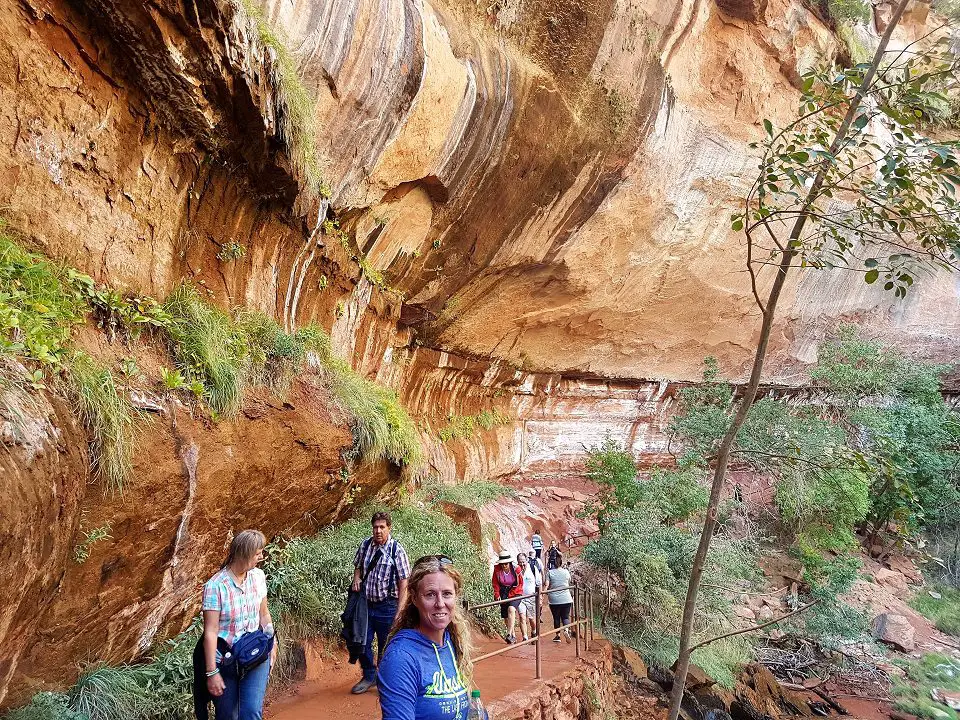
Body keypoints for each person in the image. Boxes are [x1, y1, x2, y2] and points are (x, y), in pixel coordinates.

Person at [378, 555, 476, 720]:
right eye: (430, 595)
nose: (440, 603)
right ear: (415, 598)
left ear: (456, 596)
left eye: (447, 594)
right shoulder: (401, 657)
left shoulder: (452, 641)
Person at [201, 529, 277, 720]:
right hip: (226, 659)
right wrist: (212, 672)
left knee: (251, 711)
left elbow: (264, 614)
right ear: (244, 554)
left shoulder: (258, 576)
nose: (261, 557)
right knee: (228, 715)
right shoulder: (215, 586)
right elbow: (210, 632)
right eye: (258, 553)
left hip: (255, 652)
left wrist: (273, 642)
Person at [350, 511, 411, 694]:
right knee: (362, 641)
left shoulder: (396, 550)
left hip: (388, 606)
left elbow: (404, 582)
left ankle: (386, 679)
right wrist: (356, 578)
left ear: (389, 528)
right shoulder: (366, 545)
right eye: (375, 527)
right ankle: (370, 675)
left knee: (387, 645)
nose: (378, 531)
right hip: (366, 606)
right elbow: (358, 565)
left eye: (382, 527)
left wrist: (400, 610)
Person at [491, 550, 522, 643]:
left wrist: (513, 594)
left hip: (515, 592)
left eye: (506, 564)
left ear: (509, 562)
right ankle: (512, 636)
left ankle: (508, 633)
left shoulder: (516, 569)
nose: (504, 566)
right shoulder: (497, 570)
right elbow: (495, 582)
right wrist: (497, 594)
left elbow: (520, 583)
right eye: (502, 564)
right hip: (503, 592)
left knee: (511, 609)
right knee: (505, 615)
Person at [544, 555, 573, 643]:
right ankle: (566, 630)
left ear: (553, 563)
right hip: (566, 598)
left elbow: (546, 585)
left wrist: (542, 594)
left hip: (554, 599)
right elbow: (568, 582)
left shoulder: (550, 572)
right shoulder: (566, 572)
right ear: (561, 563)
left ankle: (558, 636)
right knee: (565, 617)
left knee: (556, 617)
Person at [516, 553, 541, 641]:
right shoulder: (516, 571)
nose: (522, 564)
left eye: (523, 562)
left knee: (531, 619)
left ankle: (534, 631)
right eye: (520, 562)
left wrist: (540, 597)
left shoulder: (533, 569)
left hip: (531, 598)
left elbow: (539, 583)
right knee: (522, 617)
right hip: (520, 598)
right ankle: (525, 638)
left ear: (527, 561)